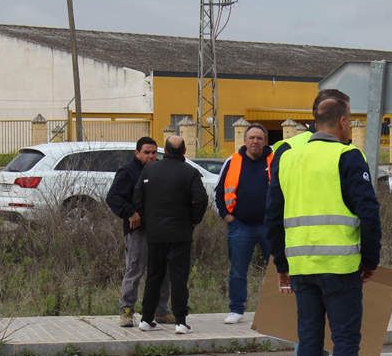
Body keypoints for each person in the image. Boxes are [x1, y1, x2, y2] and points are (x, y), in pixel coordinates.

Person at [266, 90, 390, 356]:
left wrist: (281, 264)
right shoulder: (348, 156)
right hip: (341, 267)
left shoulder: (287, 157)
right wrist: (370, 261)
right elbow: (368, 212)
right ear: (342, 121)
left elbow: (273, 215)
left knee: (308, 343)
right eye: (350, 120)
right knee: (345, 343)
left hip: (302, 268)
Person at [269, 90, 348, 356]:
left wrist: (281, 263)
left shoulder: (287, 151)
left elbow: (274, 212)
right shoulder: (344, 151)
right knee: (339, 339)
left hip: (301, 261)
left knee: (311, 338)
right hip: (340, 260)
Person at [133, 135, 209, 334]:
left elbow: (138, 197)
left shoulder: (149, 169)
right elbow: (201, 200)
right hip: (180, 233)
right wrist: (193, 220)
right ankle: (181, 321)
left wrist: (148, 221)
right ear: (184, 152)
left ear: (164, 151)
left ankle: (146, 318)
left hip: (155, 233)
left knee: (154, 276)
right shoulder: (190, 172)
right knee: (178, 277)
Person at [105, 136, 171, 327]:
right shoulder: (128, 172)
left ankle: (161, 310)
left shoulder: (160, 170)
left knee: (162, 271)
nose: (151, 156)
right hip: (138, 232)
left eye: (153, 153)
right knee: (135, 270)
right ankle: (126, 310)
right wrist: (130, 213)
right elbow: (114, 197)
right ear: (137, 153)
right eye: (146, 152)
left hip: (160, 229)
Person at [215, 123, 273, 325]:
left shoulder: (275, 161)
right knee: (238, 270)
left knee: (277, 269)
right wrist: (226, 215)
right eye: (251, 138)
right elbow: (219, 191)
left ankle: (277, 310)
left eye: (259, 138)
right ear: (245, 140)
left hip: (270, 226)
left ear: (265, 141)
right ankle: (236, 309)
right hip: (240, 226)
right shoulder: (232, 162)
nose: (255, 141)